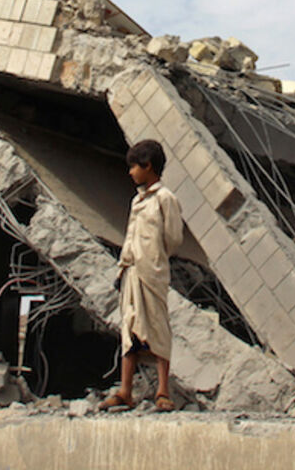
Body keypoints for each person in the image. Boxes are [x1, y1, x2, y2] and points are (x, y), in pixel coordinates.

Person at [99, 139, 183, 413]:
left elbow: (173, 238)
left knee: (158, 327)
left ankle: (162, 390)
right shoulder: (138, 200)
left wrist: (154, 258)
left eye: (134, 166)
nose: (131, 172)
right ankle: (125, 390)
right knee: (130, 329)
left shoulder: (164, 199)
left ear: (148, 166)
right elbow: (131, 236)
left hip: (153, 271)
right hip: (132, 270)